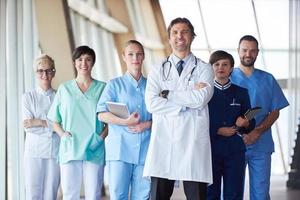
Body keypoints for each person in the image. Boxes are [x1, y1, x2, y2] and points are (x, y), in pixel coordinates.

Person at [143, 17, 214, 200]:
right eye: (175, 32)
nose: (179, 36)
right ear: (169, 38)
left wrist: (167, 94)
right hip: (164, 140)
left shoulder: (204, 68)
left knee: (196, 196)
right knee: (158, 195)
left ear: (192, 37)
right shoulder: (158, 68)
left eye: (184, 32)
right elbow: (151, 103)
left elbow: (200, 99)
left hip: (192, 141)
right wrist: (187, 97)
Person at [230, 35, 289, 200]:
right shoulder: (228, 78)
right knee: (231, 192)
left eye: (252, 50)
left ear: (257, 53)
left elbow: (275, 111)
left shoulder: (268, 79)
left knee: (261, 193)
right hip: (233, 143)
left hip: (261, 143)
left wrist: (257, 132)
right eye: (244, 50)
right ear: (238, 51)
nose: (248, 54)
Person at [47, 46, 107, 200]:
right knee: (70, 194)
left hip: (94, 147)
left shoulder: (103, 88)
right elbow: (55, 120)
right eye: (80, 59)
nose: (84, 63)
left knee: (93, 194)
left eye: (88, 59)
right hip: (70, 146)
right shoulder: (64, 89)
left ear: (93, 62)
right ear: (74, 62)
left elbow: (110, 120)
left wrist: (100, 138)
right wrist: (62, 134)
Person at [97, 40, 152, 200]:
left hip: (145, 150)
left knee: (143, 196)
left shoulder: (151, 86)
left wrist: (147, 124)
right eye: (131, 54)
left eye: (139, 54)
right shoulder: (114, 85)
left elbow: (162, 117)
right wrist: (125, 122)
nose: (135, 57)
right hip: (120, 150)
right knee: (118, 195)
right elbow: (101, 113)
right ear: (123, 57)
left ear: (143, 57)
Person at [207, 50, 255, 200]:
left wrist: (246, 122)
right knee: (210, 193)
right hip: (210, 150)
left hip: (235, 151)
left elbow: (251, 122)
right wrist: (217, 130)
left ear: (231, 68)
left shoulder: (241, 92)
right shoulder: (204, 94)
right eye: (216, 64)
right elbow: (196, 122)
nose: (220, 67)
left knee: (234, 194)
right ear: (211, 68)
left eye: (225, 64)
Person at [22, 54, 60, 200]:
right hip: (33, 152)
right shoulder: (27, 97)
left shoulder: (60, 96)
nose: (44, 74)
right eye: (40, 71)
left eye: (49, 70)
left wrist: (41, 122)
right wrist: (54, 127)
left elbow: (64, 125)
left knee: (51, 193)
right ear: (35, 72)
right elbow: (28, 127)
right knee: (33, 193)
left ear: (54, 72)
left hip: (54, 151)